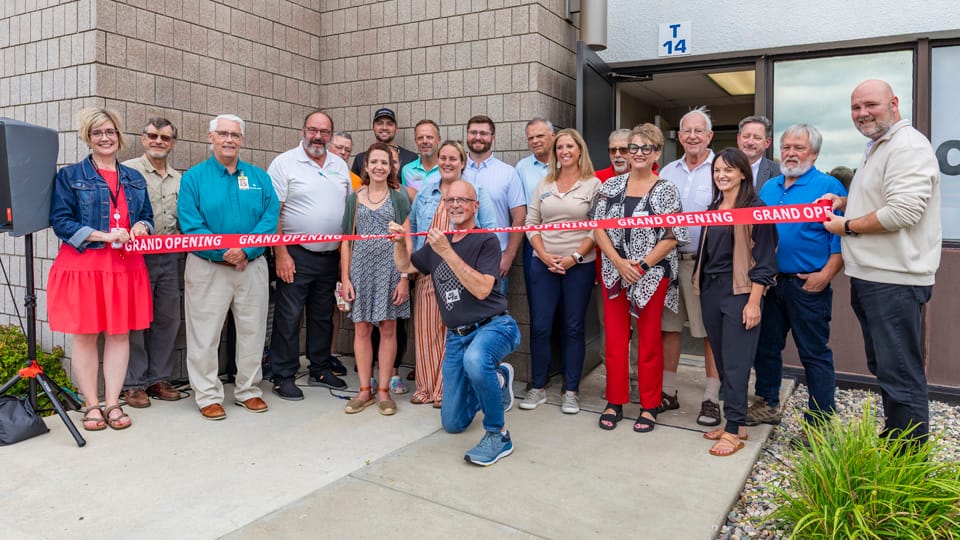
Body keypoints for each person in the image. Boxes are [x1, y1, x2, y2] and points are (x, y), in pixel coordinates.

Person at [822, 79, 941, 445]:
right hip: (876, 280)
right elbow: (885, 200)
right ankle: (896, 439)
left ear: (894, 103)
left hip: (895, 282)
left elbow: (902, 212)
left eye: (870, 105)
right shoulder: (878, 147)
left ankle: (907, 463)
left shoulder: (906, 146)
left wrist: (847, 226)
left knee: (901, 373)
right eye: (856, 108)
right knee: (889, 369)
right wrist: (846, 203)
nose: (862, 114)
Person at [390, 180, 520, 466]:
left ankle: (499, 435)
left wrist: (446, 251)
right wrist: (401, 244)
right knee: (452, 422)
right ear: (445, 206)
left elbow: (483, 289)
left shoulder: (486, 240)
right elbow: (406, 266)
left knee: (476, 360)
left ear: (475, 206)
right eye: (451, 201)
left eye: (463, 200)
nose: (456, 205)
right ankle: (496, 380)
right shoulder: (439, 243)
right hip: (457, 337)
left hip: (494, 327)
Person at [48, 107, 154, 431]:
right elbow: (61, 221)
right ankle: (92, 405)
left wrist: (141, 228)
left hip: (124, 266)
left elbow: (147, 216)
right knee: (85, 336)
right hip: (85, 266)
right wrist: (104, 235)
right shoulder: (69, 176)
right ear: (88, 138)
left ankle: (113, 403)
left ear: (119, 135)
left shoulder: (134, 178)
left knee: (119, 334)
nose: (105, 138)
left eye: (110, 131)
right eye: (97, 133)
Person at [178, 114, 279, 420]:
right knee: (204, 334)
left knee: (253, 330)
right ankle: (207, 394)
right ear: (211, 138)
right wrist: (225, 252)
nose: (229, 139)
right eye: (223, 133)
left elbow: (270, 216)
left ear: (242, 140)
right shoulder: (193, 178)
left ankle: (248, 390)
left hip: (252, 266)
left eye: (235, 135)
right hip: (207, 267)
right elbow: (191, 224)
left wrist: (245, 250)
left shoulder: (259, 177)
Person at [590, 124, 688, 432]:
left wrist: (642, 266)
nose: (638, 154)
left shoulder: (666, 189)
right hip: (614, 274)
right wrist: (620, 263)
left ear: (657, 152)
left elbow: (673, 235)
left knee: (649, 341)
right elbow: (597, 227)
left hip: (651, 275)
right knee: (616, 341)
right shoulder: (610, 187)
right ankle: (615, 400)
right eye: (633, 147)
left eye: (647, 148)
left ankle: (649, 405)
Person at [751, 124, 847, 428]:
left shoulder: (829, 188)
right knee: (766, 348)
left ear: (814, 153)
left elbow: (842, 240)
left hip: (807, 285)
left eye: (799, 148)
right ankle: (767, 404)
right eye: (786, 147)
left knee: (814, 353)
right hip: (770, 283)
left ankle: (819, 421)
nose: (791, 153)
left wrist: (826, 275)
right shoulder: (769, 188)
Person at [695, 148, 777, 456]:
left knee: (737, 362)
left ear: (743, 172)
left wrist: (754, 302)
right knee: (722, 359)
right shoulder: (713, 207)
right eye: (717, 170)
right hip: (712, 291)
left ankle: (732, 432)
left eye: (728, 170)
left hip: (740, 293)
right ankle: (737, 422)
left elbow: (766, 261)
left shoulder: (757, 208)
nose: (722, 175)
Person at [267, 110, 351, 401]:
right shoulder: (284, 163)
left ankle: (320, 368)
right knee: (288, 317)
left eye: (324, 132)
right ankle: (283, 375)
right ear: (303, 130)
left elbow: (347, 210)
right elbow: (272, 211)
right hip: (295, 255)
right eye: (313, 130)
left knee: (322, 317)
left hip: (330, 256)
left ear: (331, 135)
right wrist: (281, 254)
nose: (318, 136)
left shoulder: (339, 165)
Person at [407, 141, 497, 407]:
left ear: (462, 163)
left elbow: (490, 230)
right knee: (425, 332)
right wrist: (410, 265)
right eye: (443, 158)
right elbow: (412, 227)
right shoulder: (425, 192)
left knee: (453, 333)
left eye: (453, 158)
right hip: (428, 270)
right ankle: (425, 387)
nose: (447, 163)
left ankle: (446, 389)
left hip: (461, 274)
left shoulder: (476, 191)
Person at [519, 128, 600, 415]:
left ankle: (571, 390)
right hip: (544, 263)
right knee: (541, 326)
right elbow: (531, 221)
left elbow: (597, 226)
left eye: (570, 146)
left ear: (580, 150)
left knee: (573, 328)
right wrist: (543, 255)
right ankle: (538, 386)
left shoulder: (593, 184)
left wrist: (575, 257)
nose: (564, 151)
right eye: (560, 147)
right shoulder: (544, 183)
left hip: (579, 266)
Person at [657, 106, 722, 426]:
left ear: (709, 136)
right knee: (669, 329)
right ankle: (668, 392)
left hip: (705, 264)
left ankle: (711, 398)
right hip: (669, 262)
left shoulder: (721, 169)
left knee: (710, 332)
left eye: (699, 131)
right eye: (687, 131)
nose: (693, 136)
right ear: (679, 136)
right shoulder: (667, 171)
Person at [339, 142, 412, 415]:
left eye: (385, 162)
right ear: (366, 166)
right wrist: (345, 278)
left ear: (392, 167)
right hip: (360, 270)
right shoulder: (355, 198)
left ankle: (383, 390)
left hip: (391, 270)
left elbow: (407, 240)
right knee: (362, 329)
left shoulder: (399, 196)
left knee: (389, 328)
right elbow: (346, 242)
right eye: (374, 162)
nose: (380, 167)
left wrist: (404, 277)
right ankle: (364, 390)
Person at [122, 117, 183, 408]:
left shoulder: (179, 178)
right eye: (153, 136)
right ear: (143, 138)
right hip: (135, 257)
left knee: (167, 319)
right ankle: (134, 383)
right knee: (136, 320)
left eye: (165, 138)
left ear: (173, 143)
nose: (159, 141)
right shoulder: (127, 172)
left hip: (169, 257)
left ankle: (158, 378)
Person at [462, 115, 526, 293]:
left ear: (493, 137)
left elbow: (519, 217)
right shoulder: (456, 169)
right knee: (460, 316)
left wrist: (509, 255)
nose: (478, 137)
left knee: (494, 317)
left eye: (483, 133)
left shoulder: (507, 172)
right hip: (459, 256)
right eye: (473, 132)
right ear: (467, 135)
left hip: (495, 258)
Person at [350, 108, 417, 176]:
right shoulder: (360, 159)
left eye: (390, 124)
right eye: (379, 123)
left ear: (396, 128)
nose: (384, 127)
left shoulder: (410, 158)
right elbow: (354, 185)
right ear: (373, 127)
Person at [515, 117, 556, 204]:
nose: (535, 141)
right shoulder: (522, 167)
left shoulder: (565, 164)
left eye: (540, 136)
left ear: (553, 137)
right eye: (530, 138)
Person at [736, 115, 779, 191]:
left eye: (757, 138)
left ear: (767, 143)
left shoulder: (778, 173)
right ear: (739, 139)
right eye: (746, 136)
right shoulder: (722, 169)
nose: (750, 142)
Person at [400, 119, 441, 192]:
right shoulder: (406, 170)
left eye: (429, 137)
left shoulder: (446, 168)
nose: (424, 141)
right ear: (415, 141)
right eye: (420, 138)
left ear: (439, 139)